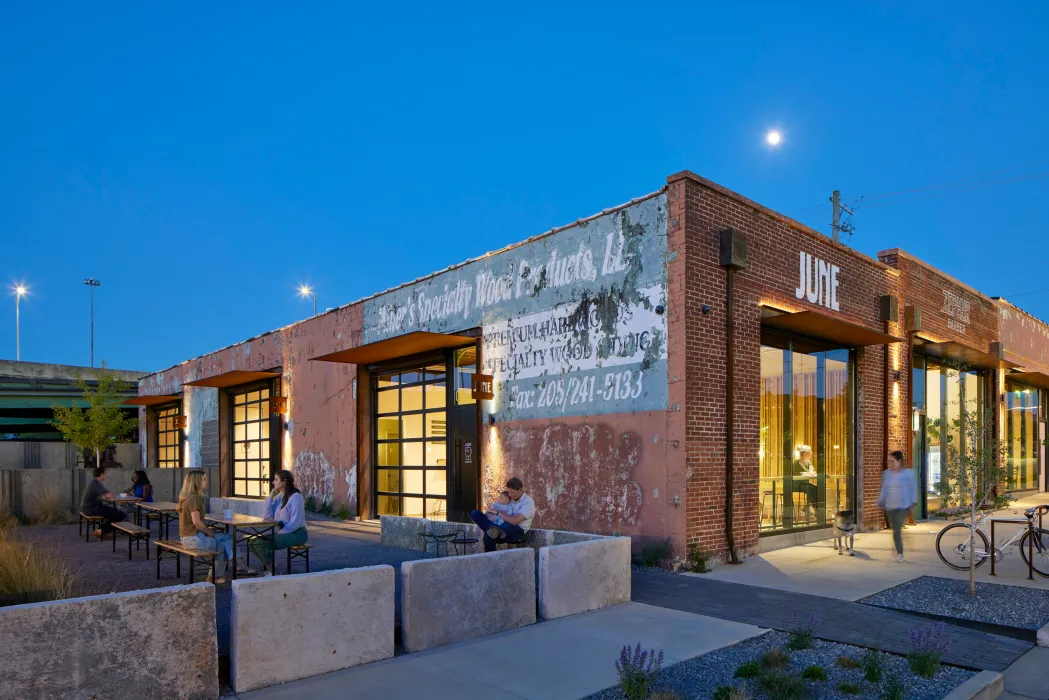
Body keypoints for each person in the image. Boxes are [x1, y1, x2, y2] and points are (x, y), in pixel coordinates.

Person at [249, 470, 308, 577]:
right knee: (252, 542)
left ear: (284, 482)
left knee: (259, 543)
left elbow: (296, 522)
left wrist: (280, 532)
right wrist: (271, 497)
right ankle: (273, 570)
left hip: (297, 533)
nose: (273, 482)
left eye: (276, 480)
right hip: (285, 532)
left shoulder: (296, 497)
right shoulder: (280, 496)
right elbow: (268, 516)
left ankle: (274, 572)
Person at [178, 470, 233, 584]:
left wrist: (206, 530)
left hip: (186, 539)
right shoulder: (194, 498)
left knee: (224, 539)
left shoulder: (186, 497)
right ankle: (218, 574)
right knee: (224, 542)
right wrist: (210, 533)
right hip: (195, 540)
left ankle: (231, 565)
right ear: (197, 482)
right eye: (204, 479)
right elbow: (196, 522)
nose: (206, 482)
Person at [470, 477, 536, 552]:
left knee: (489, 534)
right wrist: (490, 515)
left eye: (512, 492)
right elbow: (490, 510)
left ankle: (490, 559)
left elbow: (515, 521)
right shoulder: (508, 497)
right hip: (499, 525)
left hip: (517, 530)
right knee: (475, 514)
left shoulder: (528, 503)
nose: (510, 495)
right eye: (509, 492)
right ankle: (493, 528)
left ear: (520, 489)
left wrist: (498, 513)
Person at [878, 450, 917, 563]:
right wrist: (880, 501)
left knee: (897, 530)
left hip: (903, 506)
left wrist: (913, 503)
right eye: (889, 461)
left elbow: (913, 488)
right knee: (896, 530)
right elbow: (884, 489)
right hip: (890, 506)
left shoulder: (908, 473)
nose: (890, 464)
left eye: (892, 461)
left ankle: (900, 553)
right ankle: (899, 547)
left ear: (899, 461)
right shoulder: (887, 473)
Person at [81, 466, 125, 538]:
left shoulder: (94, 482)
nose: (106, 475)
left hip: (91, 507)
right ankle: (101, 531)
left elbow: (103, 496)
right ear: (101, 474)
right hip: (91, 509)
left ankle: (102, 530)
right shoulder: (95, 483)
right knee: (120, 514)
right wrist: (116, 494)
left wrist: (107, 496)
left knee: (115, 513)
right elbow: (108, 495)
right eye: (105, 474)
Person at [791, 445, 819, 520]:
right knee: (811, 488)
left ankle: (807, 507)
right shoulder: (797, 462)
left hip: (804, 484)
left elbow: (812, 471)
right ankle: (814, 509)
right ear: (804, 454)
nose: (812, 453)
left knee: (815, 488)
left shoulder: (808, 462)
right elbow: (794, 473)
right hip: (795, 484)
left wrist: (811, 472)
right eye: (810, 452)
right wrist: (808, 473)